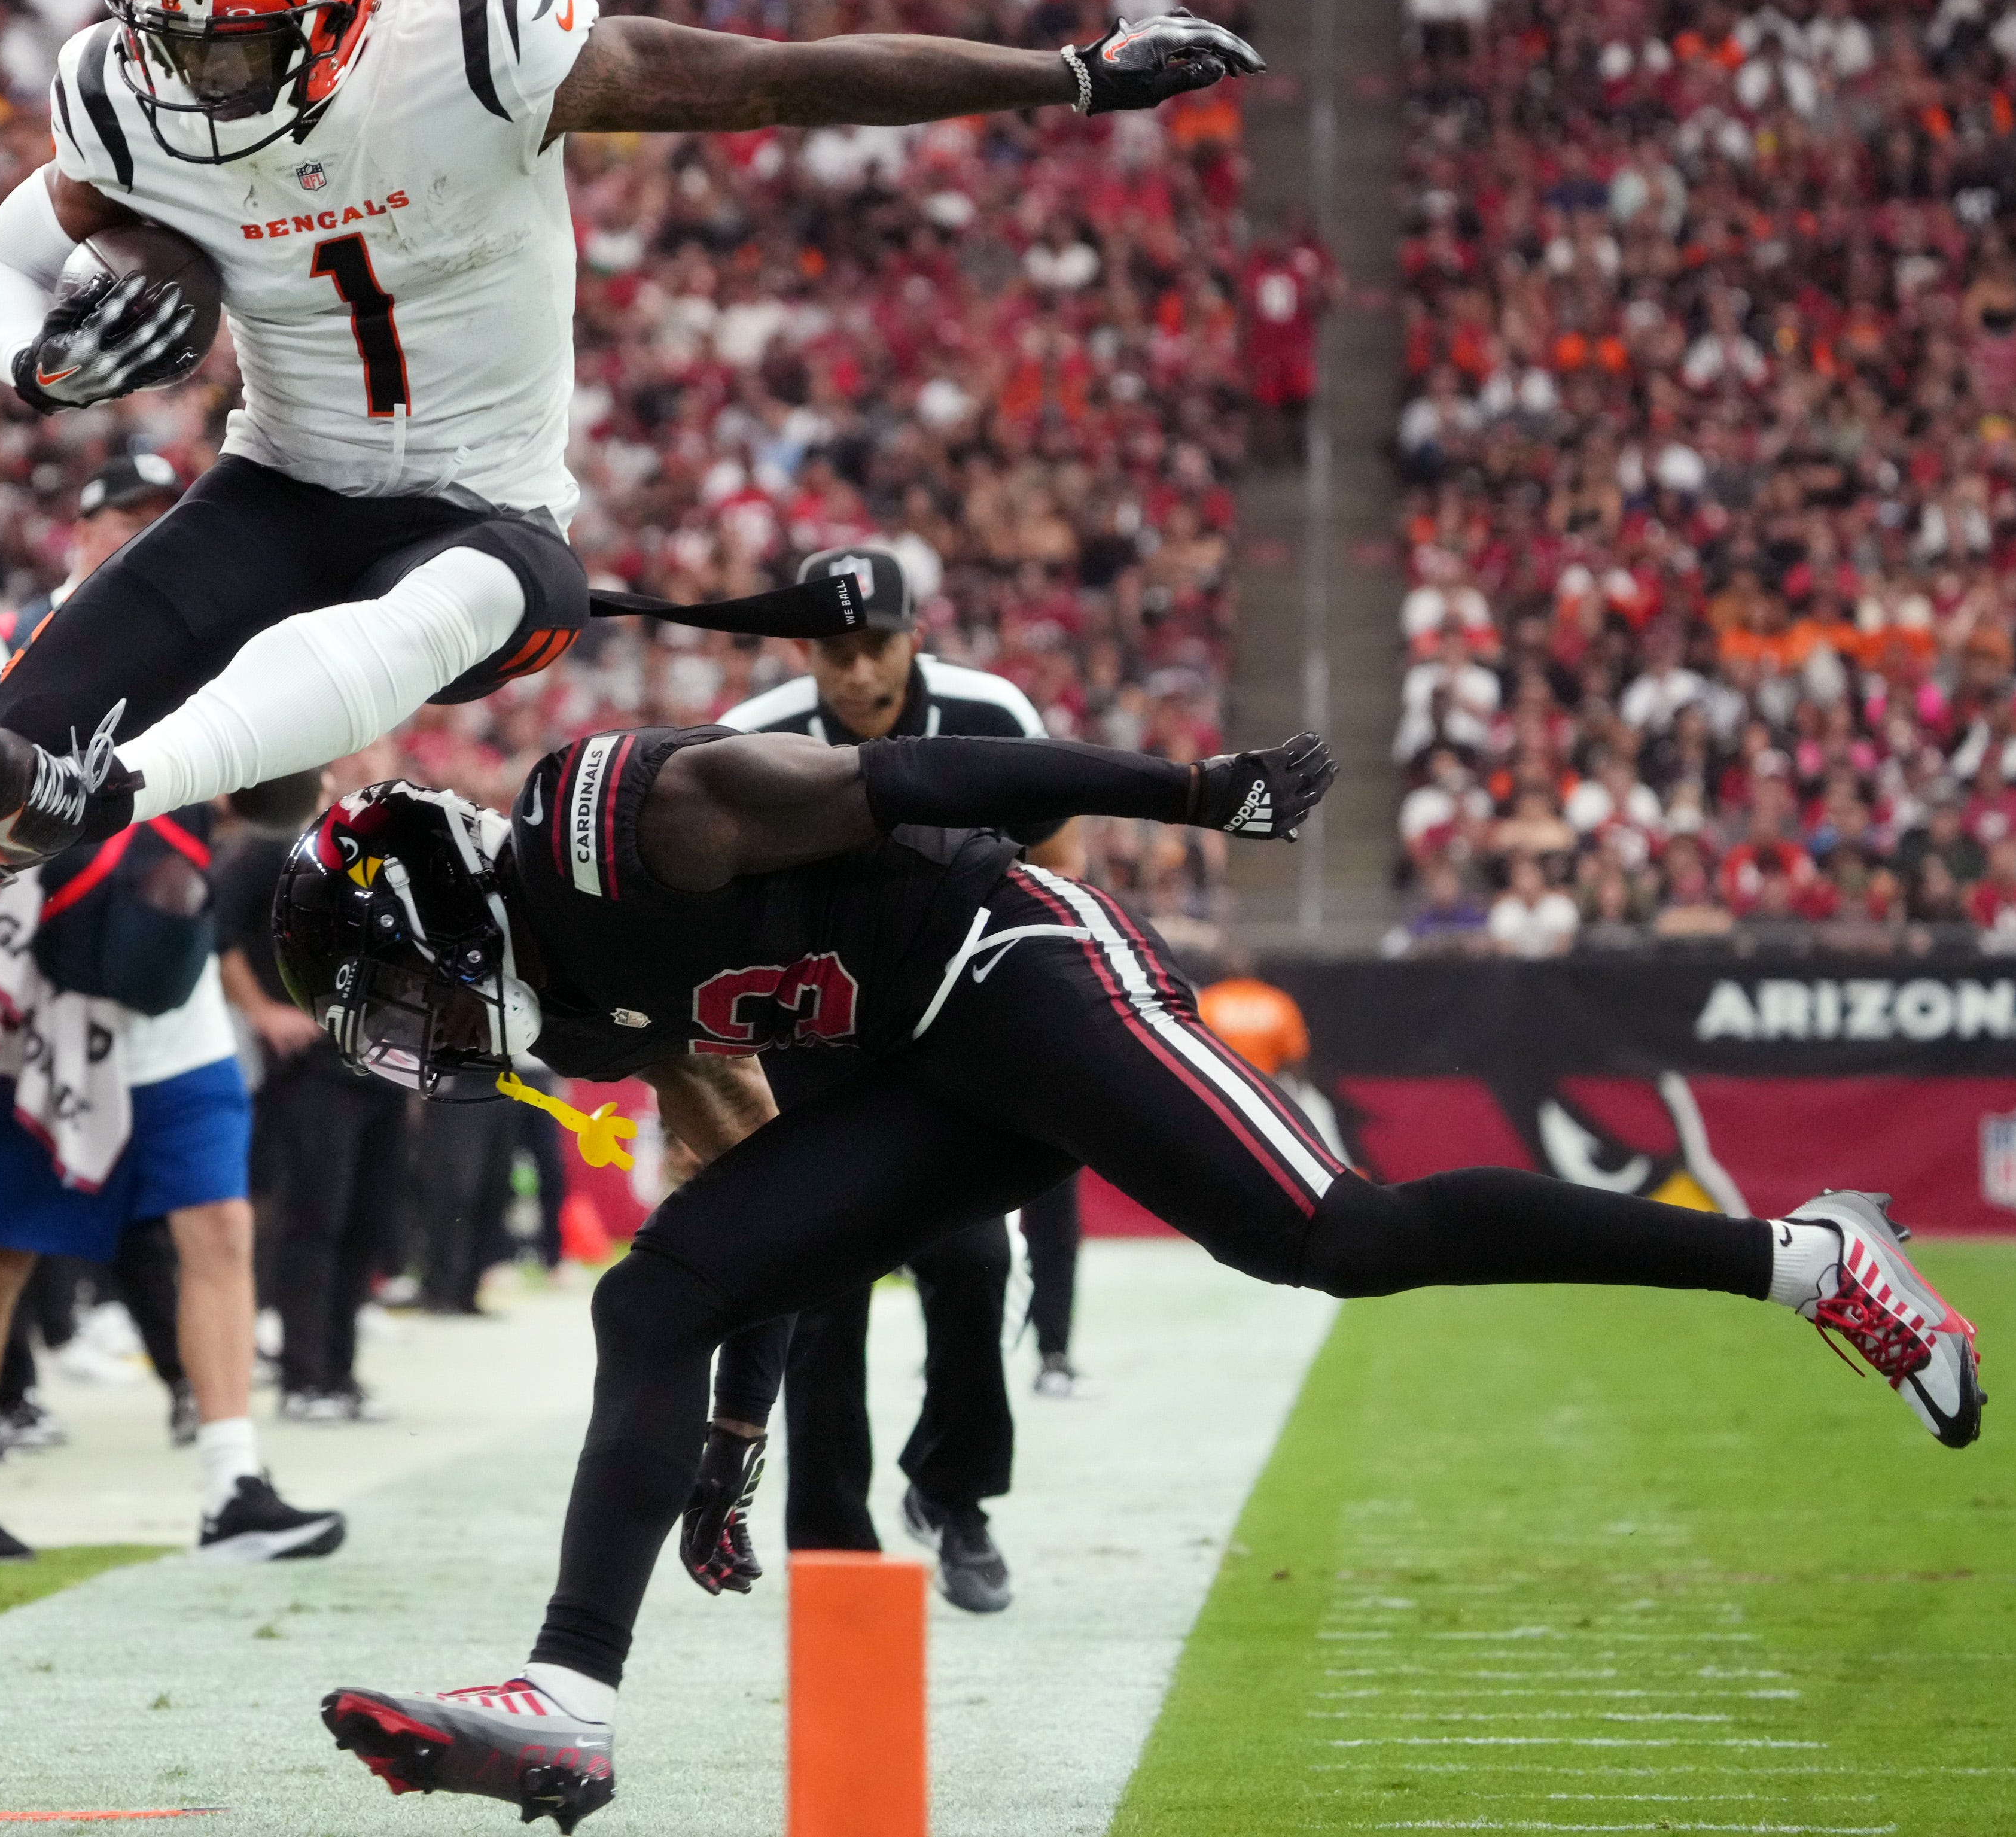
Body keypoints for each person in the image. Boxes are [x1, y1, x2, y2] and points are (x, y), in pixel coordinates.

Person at [270, 724, 1979, 1830]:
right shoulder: (557, 1001)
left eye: (400, 996)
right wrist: (722, 1438)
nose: (415, 1039)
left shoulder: (610, 824)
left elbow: (908, 774)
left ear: (436, 905)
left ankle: (1809, 1257)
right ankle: (568, 1697)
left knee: (1340, 1238)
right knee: (645, 1299)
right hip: (910, 1078)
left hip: (1016, 966)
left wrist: (1183, 794)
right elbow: (731, 1176)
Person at [0, 0, 1261, 925]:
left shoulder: (477, 42)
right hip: (284, 486)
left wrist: (1065, 74)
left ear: (338, 18)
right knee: (25, 725)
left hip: (486, 525)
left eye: (227, 46)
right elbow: (10, 259)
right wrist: (32, 361)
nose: (179, 71)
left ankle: (112, 791)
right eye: (163, 30)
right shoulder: (124, 91)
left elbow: (776, 74)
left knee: (367, 643)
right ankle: (78, 790)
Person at [0, 455, 341, 1562]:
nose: (136, 538)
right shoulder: (18, 636)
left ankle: (231, 1482)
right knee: (3, 1243)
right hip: (51, 982)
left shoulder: (213, 641)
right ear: (78, 530)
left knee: (218, 1220)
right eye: (118, 516)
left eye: (156, 522)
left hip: (170, 981)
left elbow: (271, 790)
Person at [693, 546, 1082, 1616]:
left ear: (915, 636)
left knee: (968, 1257)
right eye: (832, 650)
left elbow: (1055, 847)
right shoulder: (747, 739)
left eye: (873, 647)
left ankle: (952, 1492)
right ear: (803, 651)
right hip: (809, 1037)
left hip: (950, 1032)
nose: (856, 674)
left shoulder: (989, 713)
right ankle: (832, 1554)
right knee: (818, 1291)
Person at [216, 744, 410, 1424]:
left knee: (365, 1223)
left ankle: (340, 1373)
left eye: (384, 751)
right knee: (312, 1219)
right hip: (312, 1069)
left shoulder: (393, 851)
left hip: (383, 1063)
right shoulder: (284, 844)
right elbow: (219, 929)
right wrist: (263, 1009)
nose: (375, 763)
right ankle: (303, 1376)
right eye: (363, 751)